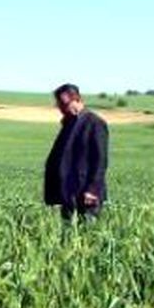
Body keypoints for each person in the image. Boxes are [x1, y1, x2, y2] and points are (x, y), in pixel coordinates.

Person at [44, 83, 108, 220]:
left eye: (64, 104)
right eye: (59, 105)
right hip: (68, 194)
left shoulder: (95, 123)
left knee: (87, 236)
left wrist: (93, 190)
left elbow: (100, 161)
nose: (61, 108)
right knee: (69, 236)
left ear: (78, 100)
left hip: (87, 195)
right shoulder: (68, 123)